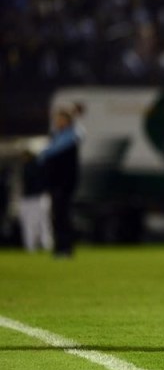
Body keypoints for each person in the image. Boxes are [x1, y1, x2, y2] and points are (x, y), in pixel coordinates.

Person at [38, 108, 83, 258]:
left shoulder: (71, 139)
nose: (57, 122)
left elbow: (66, 166)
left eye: (60, 119)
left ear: (67, 121)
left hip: (64, 184)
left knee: (63, 216)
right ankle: (59, 248)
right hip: (55, 184)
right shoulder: (57, 138)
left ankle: (66, 248)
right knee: (57, 216)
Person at [18, 150, 53, 253]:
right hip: (38, 197)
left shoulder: (30, 167)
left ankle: (33, 245)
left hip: (34, 198)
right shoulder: (39, 166)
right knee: (42, 222)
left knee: (32, 223)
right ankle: (44, 244)